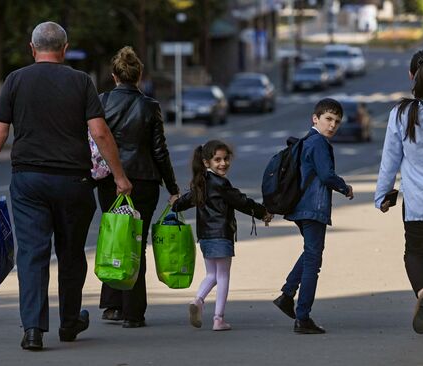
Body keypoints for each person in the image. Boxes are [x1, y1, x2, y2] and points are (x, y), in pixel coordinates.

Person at [0, 22, 132, 350]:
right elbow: (100, 132)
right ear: (64, 48)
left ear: (32, 48)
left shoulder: (15, 80)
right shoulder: (80, 81)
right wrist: (119, 176)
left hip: (28, 181)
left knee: (32, 253)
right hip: (74, 181)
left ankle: (33, 329)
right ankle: (70, 322)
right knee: (71, 253)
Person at [96, 46, 180, 328]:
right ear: (139, 75)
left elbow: (93, 141)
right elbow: (160, 151)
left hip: (109, 180)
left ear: (114, 76)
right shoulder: (150, 106)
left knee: (114, 237)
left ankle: (112, 305)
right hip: (144, 181)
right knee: (135, 242)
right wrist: (172, 185)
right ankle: (133, 313)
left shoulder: (102, 101)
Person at [374, 49, 423, 336]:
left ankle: (422, 291)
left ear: (411, 75)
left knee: (415, 254)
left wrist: (382, 195)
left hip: (417, 201)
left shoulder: (400, 113)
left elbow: (389, 160)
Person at [171, 140, 272, 331]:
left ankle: (198, 300)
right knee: (223, 275)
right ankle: (218, 319)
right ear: (206, 162)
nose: (223, 163)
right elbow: (241, 201)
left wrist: (175, 203)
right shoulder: (221, 184)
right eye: (217, 159)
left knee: (211, 274)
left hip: (205, 237)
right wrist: (263, 212)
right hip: (222, 235)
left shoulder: (200, 183)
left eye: (226, 159)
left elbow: (183, 202)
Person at [273, 98, 354, 334]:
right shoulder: (318, 142)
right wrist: (345, 187)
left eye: (337, 122)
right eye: (328, 119)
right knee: (313, 262)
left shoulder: (308, 140)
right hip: (313, 208)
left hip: (301, 207)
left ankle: (287, 295)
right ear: (315, 118)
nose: (333, 125)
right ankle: (302, 316)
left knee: (310, 253)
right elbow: (326, 175)